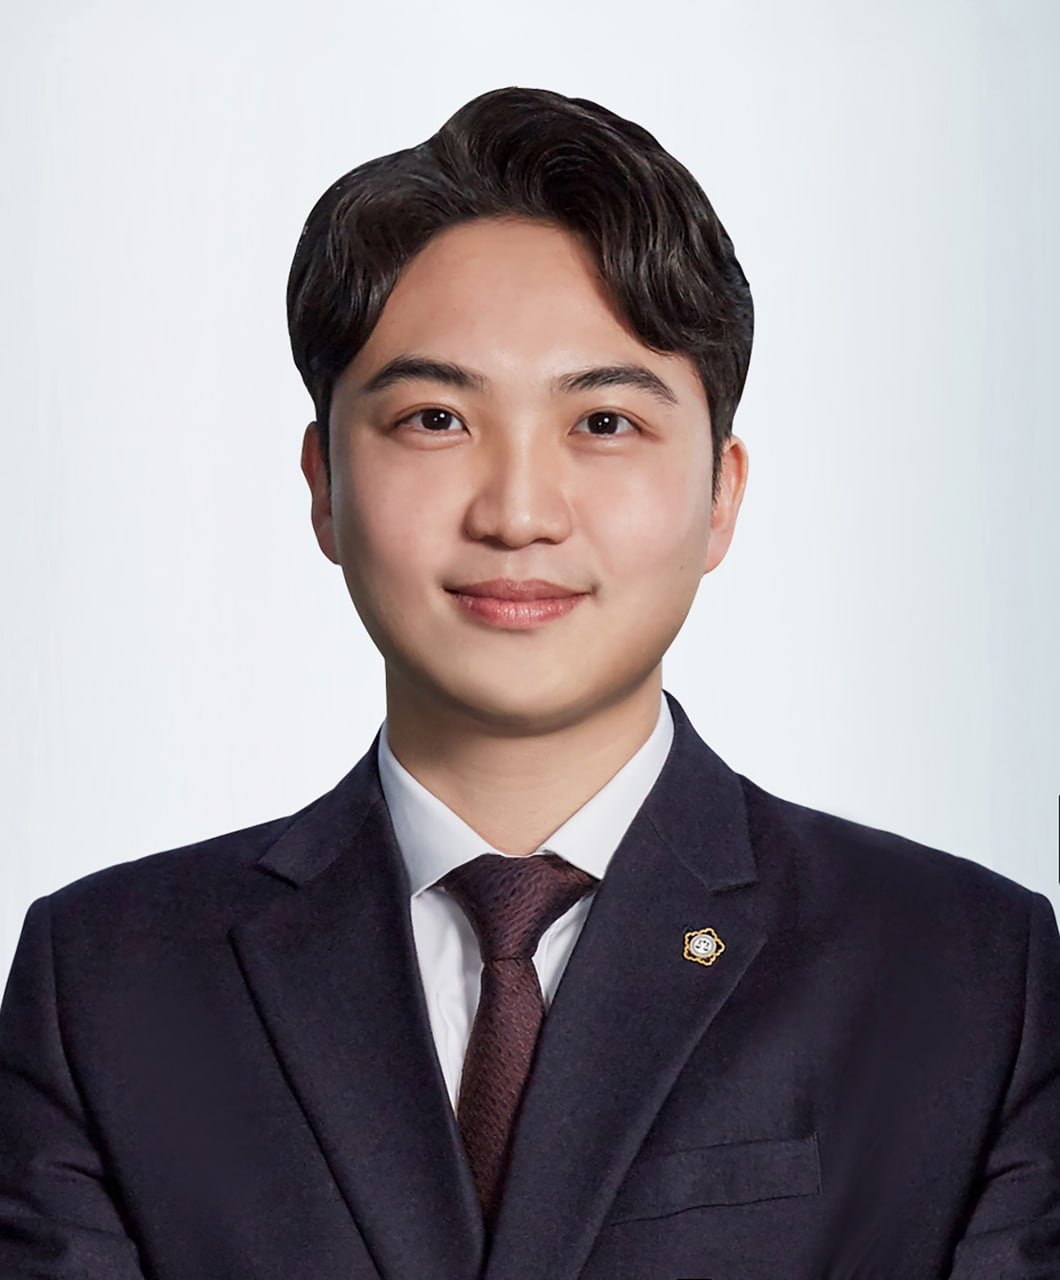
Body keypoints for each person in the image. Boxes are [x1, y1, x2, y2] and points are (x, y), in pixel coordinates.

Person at [1, 86, 1057, 1280]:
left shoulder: (965, 972)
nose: (516, 513)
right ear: (324, 486)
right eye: (434, 417)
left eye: (602, 422)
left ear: (720, 494)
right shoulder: (109, 979)